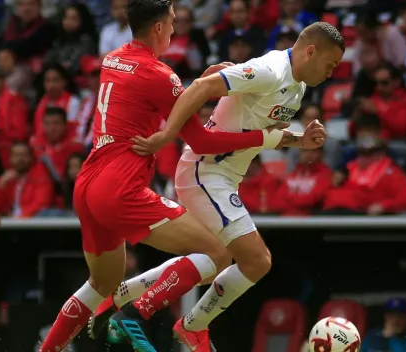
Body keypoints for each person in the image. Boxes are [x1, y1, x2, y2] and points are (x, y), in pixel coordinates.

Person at [37, 0, 296, 350]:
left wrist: (200, 82)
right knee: (218, 252)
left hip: (88, 183)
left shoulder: (112, 58)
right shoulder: (162, 75)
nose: (174, 29)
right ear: (159, 27)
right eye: (172, 22)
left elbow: (152, 95)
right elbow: (201, 140)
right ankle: (136, 313)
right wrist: (270, 137)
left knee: (102, 283)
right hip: (121, 188)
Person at [102, 21, 343, 352]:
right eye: (330, 65)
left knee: (209, 264)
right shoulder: (269, 69)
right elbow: (200, 88)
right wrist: (167, 135)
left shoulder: (297, 87)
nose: (331, 73)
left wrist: (300, 141)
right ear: (311, 51)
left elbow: (256, 132)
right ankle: (163, 319)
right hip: (206, 172)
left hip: (224, 176)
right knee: (255, 260)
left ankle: (124, 294)